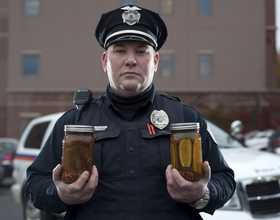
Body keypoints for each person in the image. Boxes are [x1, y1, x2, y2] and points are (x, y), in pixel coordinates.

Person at [24, 5, 236, 220]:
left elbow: (224, 178)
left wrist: (202, 194)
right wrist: (61, 194)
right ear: (106, 61)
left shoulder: (185, 118)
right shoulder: (75, 122)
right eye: (120, 50)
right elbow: (34, 183)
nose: (131, 60)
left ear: (155, 62)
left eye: (142, 51)